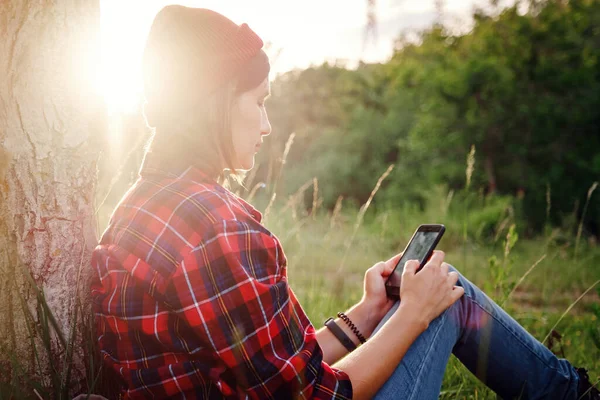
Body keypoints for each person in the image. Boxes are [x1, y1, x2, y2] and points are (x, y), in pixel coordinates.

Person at [90, 5, 599, 400]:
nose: (267, 125)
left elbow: (276, 372)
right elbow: (318, 394)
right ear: (216, 101)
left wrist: (370, 311)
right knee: (446, 299)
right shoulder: (217, 226)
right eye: (260, 102)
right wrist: (412, 315)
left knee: (430, 295)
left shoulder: (136, 210)